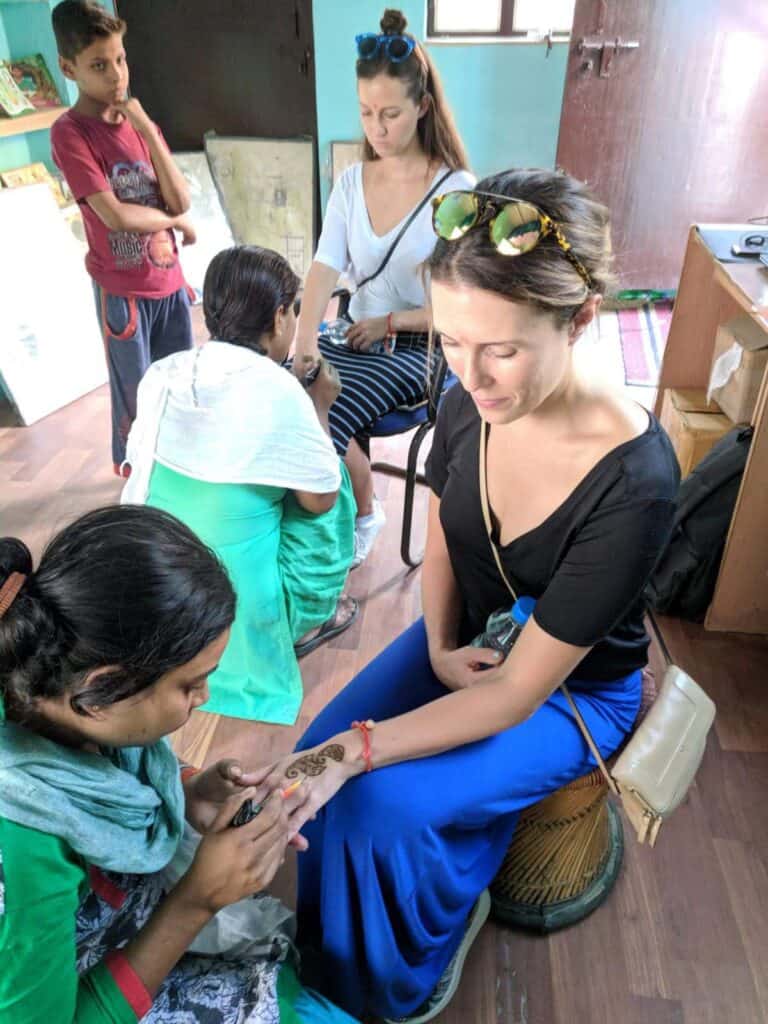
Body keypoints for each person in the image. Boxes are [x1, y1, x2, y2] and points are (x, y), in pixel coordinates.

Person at [261, 169, 681, 1022]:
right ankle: (336, 954)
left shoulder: (635, 480)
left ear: (581, 320)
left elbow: (521, 690)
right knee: (314, 747)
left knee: (381, 803)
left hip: (569, 690)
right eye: (452, 341)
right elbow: (454, 530)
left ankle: (401, 975)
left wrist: (362, 752)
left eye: (503, 348)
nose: (473, 375)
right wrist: (440, 645)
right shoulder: (469, 399)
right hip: (477, 639)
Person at [0, 505, 358, 1024]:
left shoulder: (46, 683)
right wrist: (197, 900)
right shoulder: (23, 852)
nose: (205, 695)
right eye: (190, 684)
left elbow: (112, 763)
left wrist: (186, 790)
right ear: (99, 692)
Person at [121, 246, 357, 724]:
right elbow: (319, 500)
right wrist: (319, 410)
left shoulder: (164, 372)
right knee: (334, 482)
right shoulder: (281, 391)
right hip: (238, 610)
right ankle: (305, 618)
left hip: (159, 586)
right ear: (278, 317)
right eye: (293, 311)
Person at [294, 8, 474, 567]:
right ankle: (339, 502)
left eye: (391, 113)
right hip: (355, 334)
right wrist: (302, 344)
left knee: (328, 410)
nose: (377, 127)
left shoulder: (456, 190)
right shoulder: (351, 182)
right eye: (367, 112)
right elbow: (324, 268)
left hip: (419, 349)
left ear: (422, 107)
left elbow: (461, 303)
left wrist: (390, 323)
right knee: (285, 389)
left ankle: (361, 513)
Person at [51, 0, 196, 476]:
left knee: (179, 387)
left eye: (120, 59)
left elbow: (181, 201)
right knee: (136, 397)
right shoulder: (70, 133)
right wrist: (172, 224)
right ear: (68, 68)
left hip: (169, 283)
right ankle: (139, 491)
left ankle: (178, 475)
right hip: (124, 292)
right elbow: (114, 216)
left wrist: (149, 134)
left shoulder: (139, 123)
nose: (117, 76)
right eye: (99, 65)